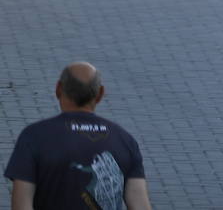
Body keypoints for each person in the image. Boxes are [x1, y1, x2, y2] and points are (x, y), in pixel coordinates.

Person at [4, 62, 153, 210]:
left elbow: (21, 205)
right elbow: (140, 204)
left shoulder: (33, 137)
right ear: (100, 94)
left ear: (58, 89)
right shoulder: (125, 140)